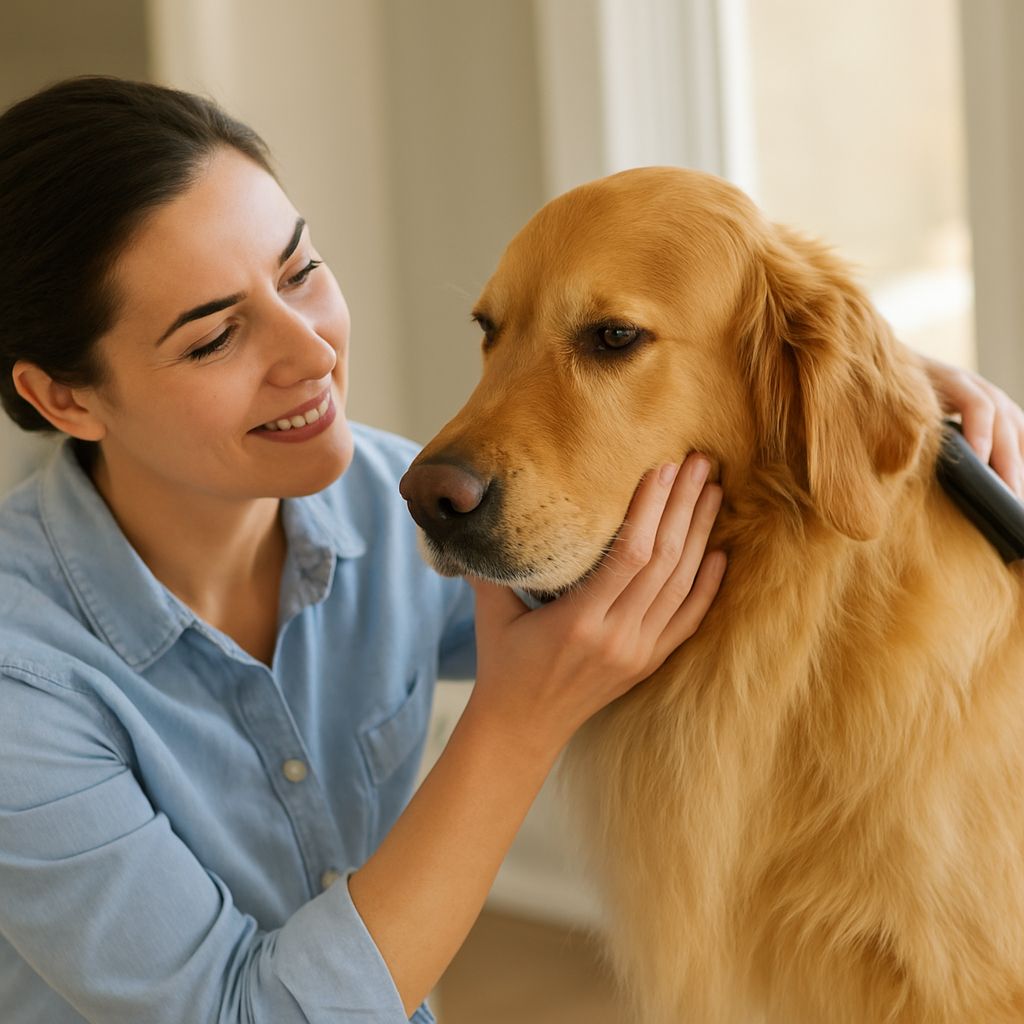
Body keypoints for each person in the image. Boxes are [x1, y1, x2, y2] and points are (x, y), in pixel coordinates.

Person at [0, 77, 1019, 1024]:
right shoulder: (22, 678)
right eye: (214, 336)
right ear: (64, 397)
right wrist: (516, 723)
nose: (311, 351)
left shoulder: (373, 511)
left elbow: (724, 522)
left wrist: (842, 373)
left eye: (299, 270)